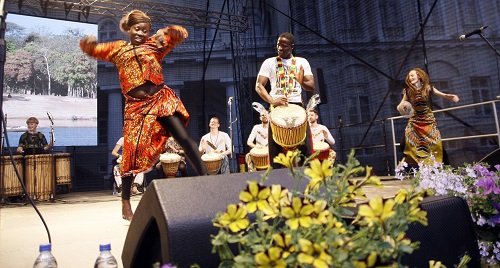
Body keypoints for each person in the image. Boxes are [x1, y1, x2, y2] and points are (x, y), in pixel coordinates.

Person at [80, 9, 207, 221]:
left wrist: (166, 32)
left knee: (183, 137)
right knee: (131, 153)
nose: (141, 33)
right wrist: (89, 44)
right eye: (137, 29)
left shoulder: (154, 45)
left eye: (145, 30)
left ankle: (207, 179)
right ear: (128, 29)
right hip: (135, 108)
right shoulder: (118, 49)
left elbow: (181, 34)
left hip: (159, 100)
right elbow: (94, 50)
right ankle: (125, 202)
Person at [255, 32, 315, 168]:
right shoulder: (269, 62)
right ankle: (277, 180)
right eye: (278, 45)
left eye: (284, 46)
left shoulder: (301, 62)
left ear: (292, 47)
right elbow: (259, 85)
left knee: (304, 146)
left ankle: (305, 178)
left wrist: (301, 81)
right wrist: (272, 100)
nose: (280, 48)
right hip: (277, 107)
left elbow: (311, 85)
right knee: (275, 147)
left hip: (297, 106)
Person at [397, 67, 459, 167]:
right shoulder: (407, 91)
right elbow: (401, 104)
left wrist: (449, 97)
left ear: (419, 75)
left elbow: (441, 94)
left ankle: (439, 164)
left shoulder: (428, 88)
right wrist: (401, 107)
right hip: (414, 120)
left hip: (428, 120)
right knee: (408, 141)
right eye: (409, 77)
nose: (410, 78)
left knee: (435, 142)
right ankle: (412, 164)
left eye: (412, 75)